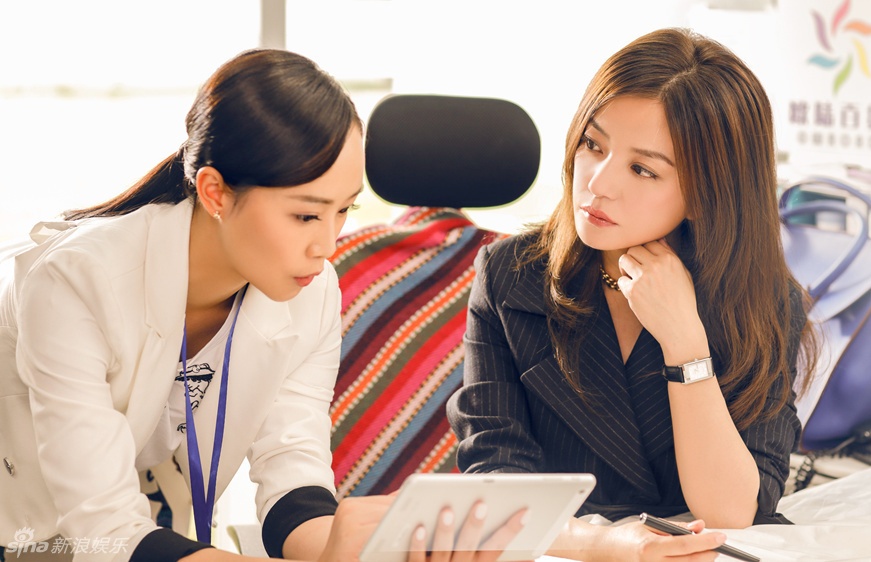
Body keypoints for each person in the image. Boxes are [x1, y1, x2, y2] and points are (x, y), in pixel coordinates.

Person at [0, 49, 527, 562]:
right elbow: (105, 527)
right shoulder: (77, 281)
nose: (327, 245)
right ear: (215, 193)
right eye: (305, 216)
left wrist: (358, 548)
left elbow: (292, 467)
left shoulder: (311, 289)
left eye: (344, 210)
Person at [446, 27, 819, 562]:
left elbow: (733, 511)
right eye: (592, 144)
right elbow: (494, 481)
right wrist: (599, 542)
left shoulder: (760, 300)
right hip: (562, 551)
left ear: (706, 193)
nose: (598, 183)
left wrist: (684, 339)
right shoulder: (510, 274)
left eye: (642, 169)